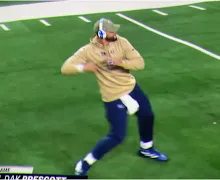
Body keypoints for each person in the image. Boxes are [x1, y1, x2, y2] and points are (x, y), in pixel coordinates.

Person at [61, 18, 168, 176]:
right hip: (113, 96)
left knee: (147, 115)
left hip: (132, 88)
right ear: (101, 33)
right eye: (111, 31)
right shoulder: (87, 51)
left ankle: (146, 148)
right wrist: (83, 68)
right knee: (117, 136)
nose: (115, 33)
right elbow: (65, 68)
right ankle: (85, 163)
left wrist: (121, 62)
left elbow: (139, 63)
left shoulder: (122, 42)